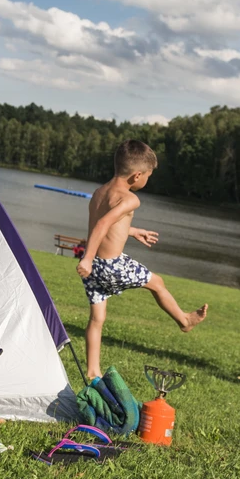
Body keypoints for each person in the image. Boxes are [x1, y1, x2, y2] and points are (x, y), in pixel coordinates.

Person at [76, 139, 208, 381]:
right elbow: (104, 224)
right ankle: (184, 320)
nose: (148, 180)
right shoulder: (130, 199)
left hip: (94, 268)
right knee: (157, 283)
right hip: (109, 265)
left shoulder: (99, 192)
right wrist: (87, 257)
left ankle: (93, 371)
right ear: (137, 175)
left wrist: (133, 230)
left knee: (97, 318)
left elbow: (104, 224)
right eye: (148, 175)